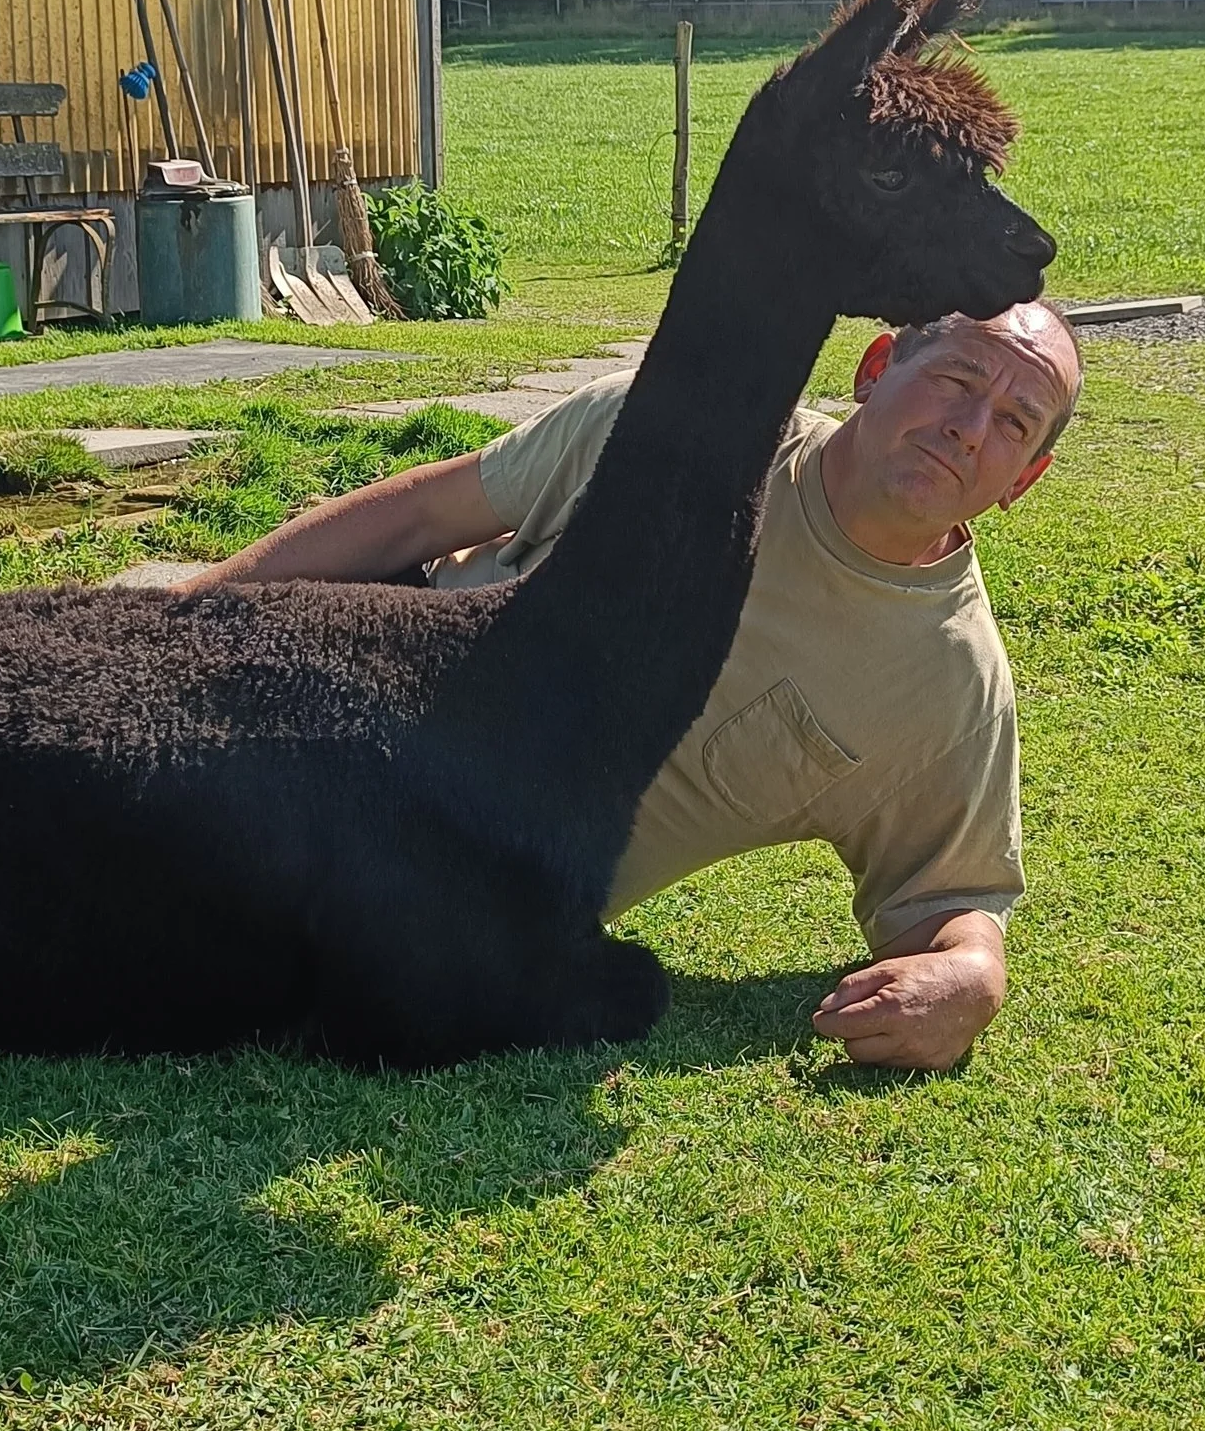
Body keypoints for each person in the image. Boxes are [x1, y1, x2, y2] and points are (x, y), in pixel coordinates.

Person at [194, 302, 1082, 1070]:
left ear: (1028, 478)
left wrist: (970, 983)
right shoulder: (678, 429)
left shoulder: (948, 679)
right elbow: (424, 515)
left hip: (458, 893)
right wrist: (180, 620)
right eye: (957, 378)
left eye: (1015, 422)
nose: (972, 425)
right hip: (343, 687)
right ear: (876, 366)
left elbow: (954, 906)